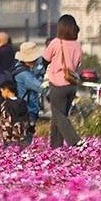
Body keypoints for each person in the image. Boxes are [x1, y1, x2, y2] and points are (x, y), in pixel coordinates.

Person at [43, 15, 84, 149]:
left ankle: (75, 141)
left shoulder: (56, 42)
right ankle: (56, 147)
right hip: (71, 84)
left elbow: (45, 59)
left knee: (58, 115)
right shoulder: (78, 45)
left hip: (57, 83)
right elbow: (77, 64)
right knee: (59, 117)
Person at [0, 78, 33, 149]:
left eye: (2, 91)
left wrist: (6, 138)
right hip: (23, 136)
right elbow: (27, 119)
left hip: (12, 136)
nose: (1, 94)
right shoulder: (22, 102)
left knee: (11, 155)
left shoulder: (5, 105)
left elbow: (6, 122)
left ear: (7, 90)